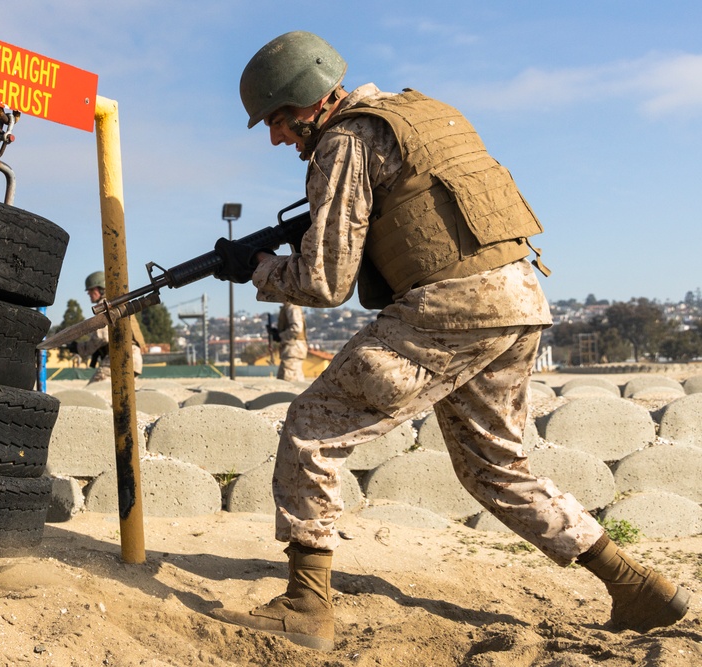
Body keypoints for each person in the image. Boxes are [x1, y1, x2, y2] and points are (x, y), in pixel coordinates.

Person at [209, 31, 689, 651]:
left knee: (311, 426)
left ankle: (305, 605)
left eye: (276, 120)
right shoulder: (424, 111)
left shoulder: (345, 140)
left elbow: (326, 280)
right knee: (495, 468)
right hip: (519, 298)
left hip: (450, 309)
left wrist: (257, 270)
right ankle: (636, 585)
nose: (276, 137)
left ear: (304, 100)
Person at [72, 271, 145, 384]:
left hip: (120, 356)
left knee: (93, 395)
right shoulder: (118, 303)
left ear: (101, 289)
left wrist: (79, 348)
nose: (88, 293)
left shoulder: (105, 305)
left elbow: (102, 338)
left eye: (91, 290)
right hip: (133, 359)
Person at [267, 303, 307, 382]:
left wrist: (280, 335)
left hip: (293, 349)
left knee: (289, 380)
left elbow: (296, 328)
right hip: (291, 349)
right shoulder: (288, 307)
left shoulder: (292, 307)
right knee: (284, 379)